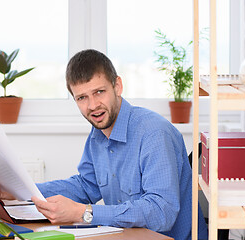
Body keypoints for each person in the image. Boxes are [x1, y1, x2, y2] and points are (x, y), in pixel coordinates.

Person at [29, 49, 208, 240]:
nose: (92, 105)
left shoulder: (154, 134)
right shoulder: (98, 131)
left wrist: (84, 212)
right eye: (82, 98)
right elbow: (86, 186)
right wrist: (25, 190)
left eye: (99, 92)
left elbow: (160, 212)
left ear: (117, 86)